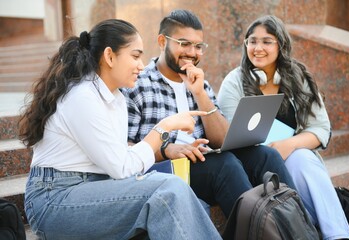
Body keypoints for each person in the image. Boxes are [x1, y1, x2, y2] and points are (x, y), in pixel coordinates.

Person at [18, 19, 222, 240]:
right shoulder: (82, 96)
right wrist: (163, 129)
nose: (142, 65)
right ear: (109, 56)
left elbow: (121, 159)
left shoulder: (115, 98)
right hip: (54, 200)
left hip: (95, 187)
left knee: (192, 204)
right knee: (169, 191)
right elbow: (122, 168)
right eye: (135, 56)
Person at [121, 9, 296, 219]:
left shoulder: (199, 83)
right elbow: (125, 148)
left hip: (203, 163)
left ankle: (299, 227)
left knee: (266, 156)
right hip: (163, 171)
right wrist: (167, 149)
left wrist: (200, 94)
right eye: (184, 44)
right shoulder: (137, 84)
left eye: (198, 46)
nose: (192, 53)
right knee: (225, 165)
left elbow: (220, 140)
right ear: (162, 41)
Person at [218, 15, 349, 239]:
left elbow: (320, 129)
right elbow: (231, 134)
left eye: (266, 41)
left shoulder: (298, 77)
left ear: (281, 44)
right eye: (252, 41)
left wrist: (289, 145)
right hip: (254, 163)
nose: (258, 48)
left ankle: (338, 236)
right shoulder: (234, 82)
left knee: (302, 158)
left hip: (294, 161)